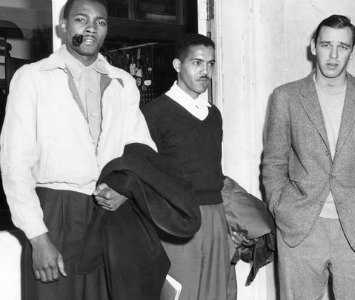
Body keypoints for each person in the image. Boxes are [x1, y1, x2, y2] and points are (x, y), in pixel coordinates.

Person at [0, 0, 155, 299]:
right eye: (81, 19)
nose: (91, 28)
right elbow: (15, 164)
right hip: (54, 214)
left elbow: (141, 149)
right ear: (63, 26)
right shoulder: (32, 78)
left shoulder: (123, 83)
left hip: (109, 217)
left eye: (100, 22)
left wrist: (126, 189)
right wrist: (38, 237)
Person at [262, 14, 355, 300]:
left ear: (352, 51)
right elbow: (273, 161)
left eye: (343, 47)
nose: (333, 55)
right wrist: (279, 207)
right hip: (300, 229)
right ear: (313, 46)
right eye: (326, 45)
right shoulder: (285, 97)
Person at [141, 33, 231, 300]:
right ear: (178, 65)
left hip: (214, 215)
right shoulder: (154, 113)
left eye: (211, 64)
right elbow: (144, 175)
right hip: (176, 217)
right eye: (197, 63)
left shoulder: (213, 114)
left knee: (215, 293)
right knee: (179, 293)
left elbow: (213, 172)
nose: (206, 71)